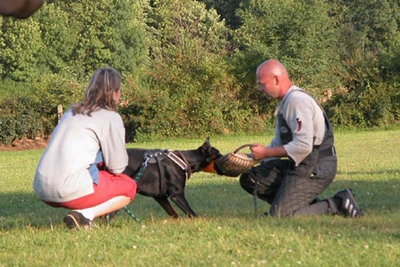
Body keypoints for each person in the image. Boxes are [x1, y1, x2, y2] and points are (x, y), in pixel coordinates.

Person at [239, 59, 363, 218]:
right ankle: (302, 206)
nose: (260, 88)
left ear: (276, 79)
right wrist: (251, 159)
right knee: (251, 179)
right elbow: (279, 143)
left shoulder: (297, 101)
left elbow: (303, 146)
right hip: (300, 164)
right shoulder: (286, 102)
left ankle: (338, 203)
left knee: (280, 216)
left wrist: (266, 154)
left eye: (262, 83)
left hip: (316, 166)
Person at [33, 67, 138, 230]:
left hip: (41, 187)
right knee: (129, 187)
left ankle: (81, 215)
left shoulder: (71, 112)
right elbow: (117, 168)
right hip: (68, 190)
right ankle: (84, 216)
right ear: (115, 93)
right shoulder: (111, 117)